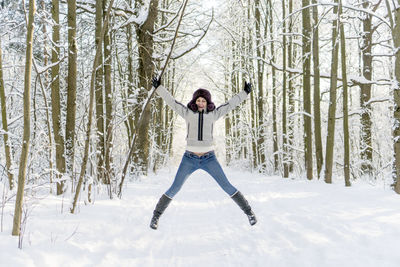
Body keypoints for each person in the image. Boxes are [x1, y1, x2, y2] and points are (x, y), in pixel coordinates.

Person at [149, 77, 257, 230]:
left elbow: (230, 104)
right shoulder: (187, 113)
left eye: (203, 101)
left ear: (207, 103)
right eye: (198, 100)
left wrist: (245, 93)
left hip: (209, 158)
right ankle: (156, 217)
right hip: (189, 159)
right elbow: (172, 102)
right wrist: (159, 88)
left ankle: (249, 213)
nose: (201, 103)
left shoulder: (214, 114)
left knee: (226, 186)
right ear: (195, 101)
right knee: (175, 188)